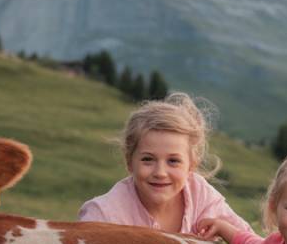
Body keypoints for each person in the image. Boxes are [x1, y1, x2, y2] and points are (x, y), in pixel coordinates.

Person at [78, 93, 251, 235]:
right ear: (129, 162)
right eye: (147, 159)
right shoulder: (103, 215)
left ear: (191, 165)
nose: (160, 172)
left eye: (173, 161)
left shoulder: (201, 196)